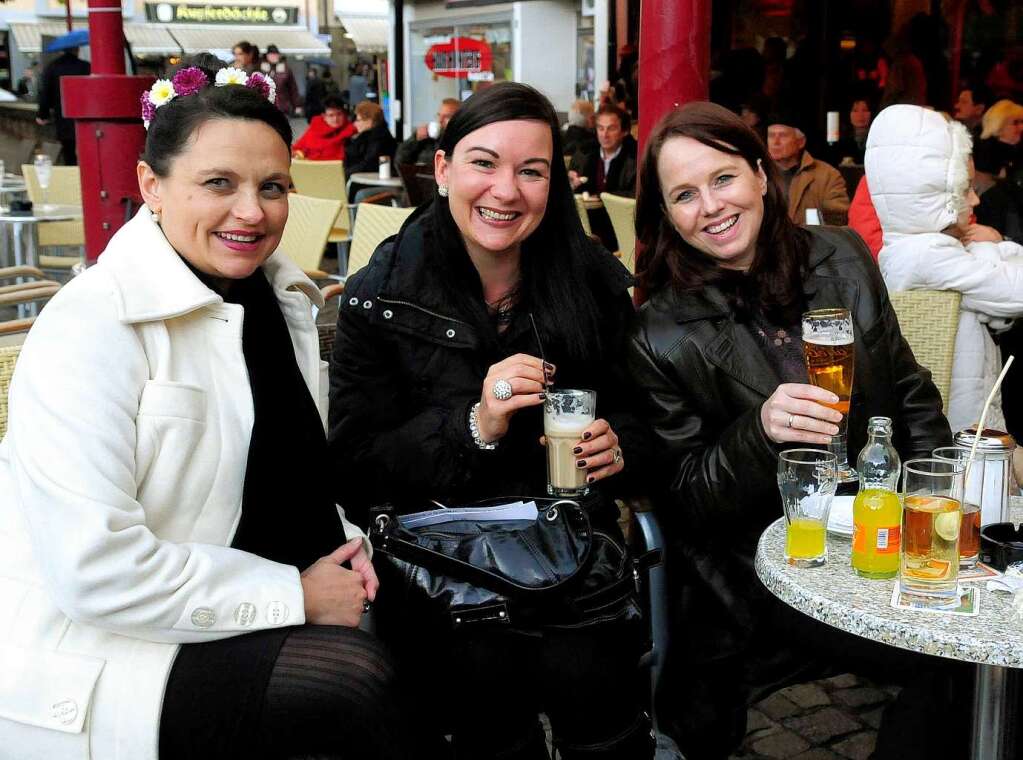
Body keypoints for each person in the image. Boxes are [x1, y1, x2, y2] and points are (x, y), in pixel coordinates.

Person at [0, 54, 414, 759]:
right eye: (218, 183)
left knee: (438, 628)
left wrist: (348, 546)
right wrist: (299, 596)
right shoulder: (94, 324)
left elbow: (278, 471)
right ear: (151, 186)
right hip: (113, 646)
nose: (251, 212)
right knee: (354, 684)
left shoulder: (273, 299)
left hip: (243, 596)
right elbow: (96, 570)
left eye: (272, 186)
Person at [328, 81, 655, 759]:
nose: (505, 191)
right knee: (480, 711)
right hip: (436, 568)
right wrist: (474, 423)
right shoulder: (378, 298)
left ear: (554, 183)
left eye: (530, 171)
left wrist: (621, 445)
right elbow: (356, 472)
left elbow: (648, 419)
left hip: (569, 560)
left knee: (605, 715)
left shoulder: (590, 285)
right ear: (442, 168)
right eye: (482, 162)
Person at [626, 101, 954, 759]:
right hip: (766, 565)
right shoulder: (658, 333)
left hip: (879, 529)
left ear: (757, 171)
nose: (710, 206)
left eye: (722, 179)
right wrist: (758, 431)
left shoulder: (841, 256)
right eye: (684, 195)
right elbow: (684, 498)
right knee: (948, 660)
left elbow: (908, 394)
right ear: (666, 216)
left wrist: (936, 501)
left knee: (978, 649)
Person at [867, 103, 1023, 434]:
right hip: (956, 435)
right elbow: (1014, 292)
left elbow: (994, 303)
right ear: (936, 195)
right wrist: (996, 248)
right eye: (964, 189)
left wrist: (985, 250)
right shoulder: (927, 255)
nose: (976, 201)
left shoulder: (911, 250)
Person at [569, 103, 638, 251]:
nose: (604, 134)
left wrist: (602, 197)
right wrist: (571, 184)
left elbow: (635, 195)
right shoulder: (584, 156)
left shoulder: (634, 160)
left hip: (621, 230)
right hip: (587, 228)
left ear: (624, 131)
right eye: (600, 128)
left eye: (611, 128)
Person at [767, 111, 850, 225]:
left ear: (801, 142)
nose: (775, 142)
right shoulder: (758, 173)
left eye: (783, 135)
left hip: (810, 241)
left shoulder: (828, 176)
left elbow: (838, 220)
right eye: (771, 136)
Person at [35, 47, 90, 165]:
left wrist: (42, 115)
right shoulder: (86, 66)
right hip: (85, 115)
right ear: (77, 50)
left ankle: (71, 173)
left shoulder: (53, 67)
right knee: (88, 150)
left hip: (63, 116)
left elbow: (45, 94)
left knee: (69, 152)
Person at [973, 99, 1023, 193]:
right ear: (998, 125)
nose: (1021, 128)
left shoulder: (1017, 153)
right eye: (1015, 123)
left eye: (1022, 122)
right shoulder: (983, 155)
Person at [395, 97, 460, 166]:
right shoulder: (428, 137)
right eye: (439, 115)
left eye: (446, 116)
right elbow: (399, 161)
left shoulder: (460, 140)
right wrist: (415, 139)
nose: (440, 120)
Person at [292, 94, 357, 161]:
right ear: (324, 116)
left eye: (339, 114)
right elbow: (298, 148)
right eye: (331, 115)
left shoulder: (350, 131)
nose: (335, 119)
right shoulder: (315, 128)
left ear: (344, 114)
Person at [827, 97, 873, 166]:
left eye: (865, 110)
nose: (860, 115)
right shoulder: (841, 141)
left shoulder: (876, 138)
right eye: (855, 111)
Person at [262, 44, 301, 116]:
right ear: (267, 55)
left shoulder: (286, 69)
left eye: (275, 54)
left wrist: (297, 105)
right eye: (271, 54)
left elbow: (293, 88)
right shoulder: (260, 68)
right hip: (264, 107)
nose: (274, 56)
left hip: (282, 107)